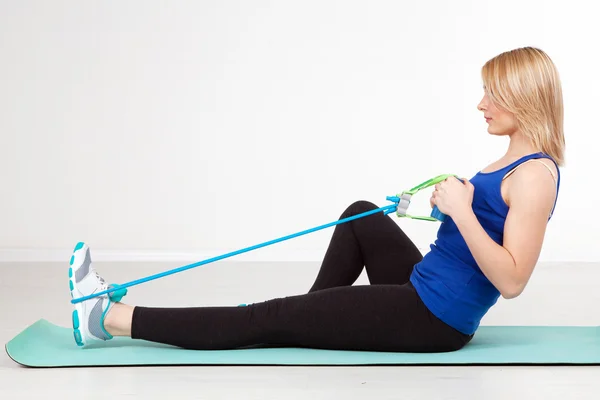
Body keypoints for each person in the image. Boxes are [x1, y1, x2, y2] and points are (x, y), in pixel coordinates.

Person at [68, 46, 564, 352]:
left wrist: (461, 208)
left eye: (492, 94)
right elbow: (479, 230)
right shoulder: (508, 163)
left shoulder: (535, 175)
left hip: (435, 318)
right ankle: (306, 317)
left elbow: (513, 278)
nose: (480, 104)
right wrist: (440, 209)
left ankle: (107, 319)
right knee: (359, 215)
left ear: (524, 97)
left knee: (264, 317)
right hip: (424, 285)